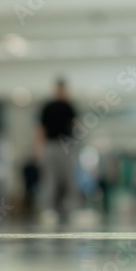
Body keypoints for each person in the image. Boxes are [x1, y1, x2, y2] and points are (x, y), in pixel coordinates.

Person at [36, 78, 79, 224]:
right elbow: (41, 128)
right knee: (50, 179)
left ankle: (72, 209)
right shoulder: (48, 107)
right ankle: (49, 210)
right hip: (51, 145)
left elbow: (76, 124)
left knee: (69, 178)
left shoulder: (69, 106)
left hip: (66, 145)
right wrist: (39, 148)